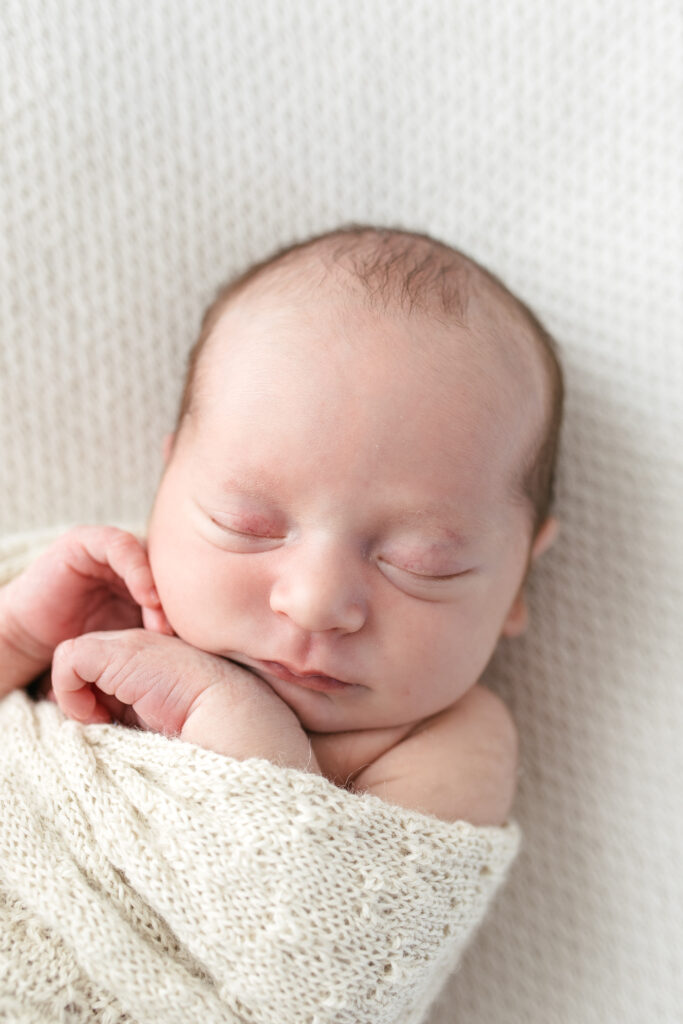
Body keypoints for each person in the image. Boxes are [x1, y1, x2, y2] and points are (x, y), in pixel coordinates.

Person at [0, 225, 563, 826]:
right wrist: (20, 637)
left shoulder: (446, 743)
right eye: (247, 525)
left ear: (519, 579)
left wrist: (239, 731)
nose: (315, 603)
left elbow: (339, 916)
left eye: (419, 563)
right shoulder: (99, 592)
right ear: (164, 491)